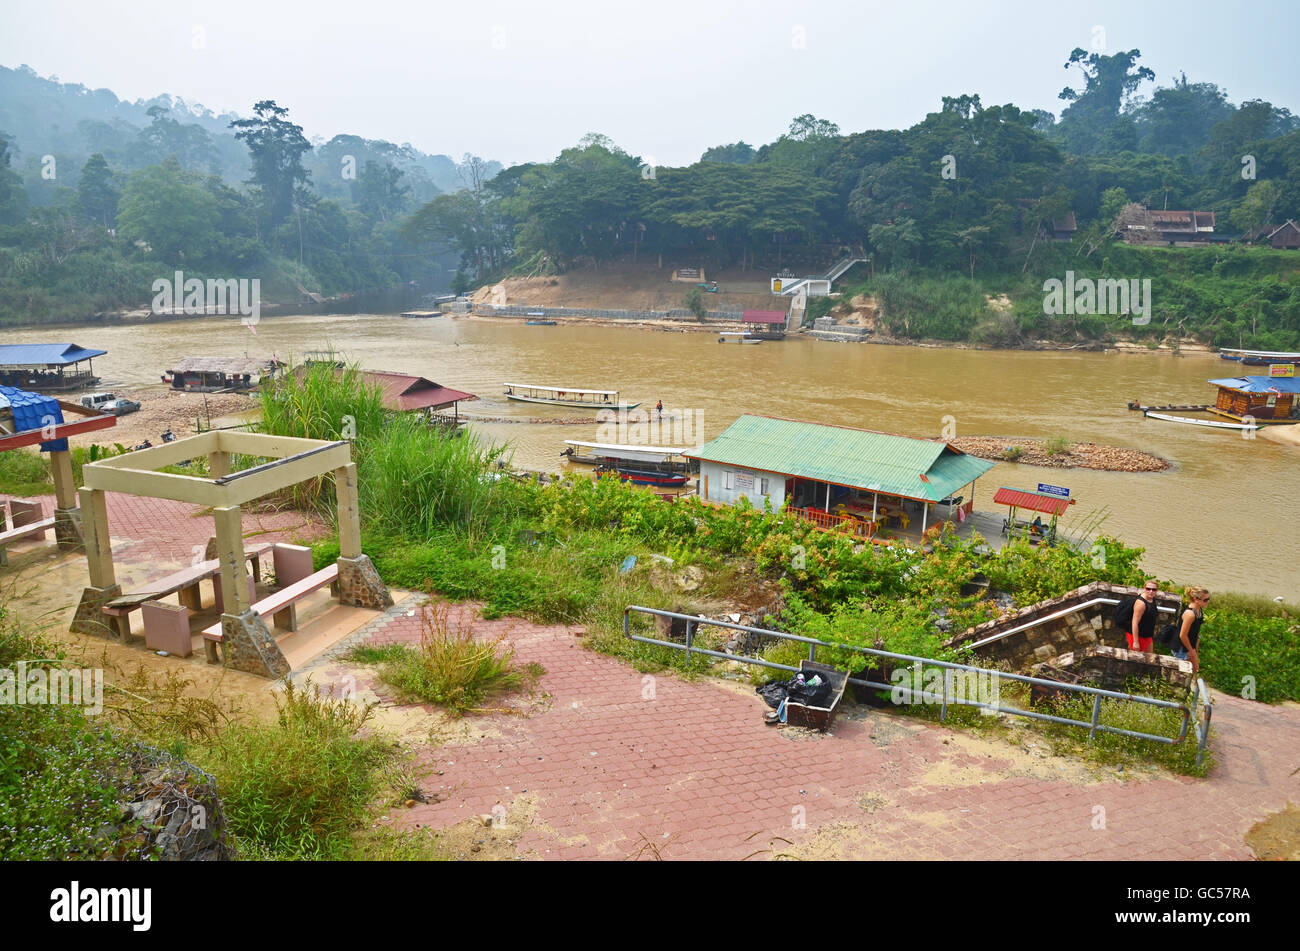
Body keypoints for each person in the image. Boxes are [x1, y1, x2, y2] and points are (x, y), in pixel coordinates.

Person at [1173, 586, 1210, 674]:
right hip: (1182, 648)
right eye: (1205, 600)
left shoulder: (1199, 610)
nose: (1208, 602)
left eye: (1208, 599)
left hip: (1190, 646)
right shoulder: (1190, 614)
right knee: (1184, 674)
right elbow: (1182, 635)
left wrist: (1195, 649)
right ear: (1196, 599)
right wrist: (1191, 651)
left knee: (1195, 669)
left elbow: (1196, 631)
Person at [1128, 580, 1161, 652]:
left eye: (1154, 589)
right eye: (1148, 589)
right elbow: (1134, 622)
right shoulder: (1141, 603)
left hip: (1147, 635)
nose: (1151, 591)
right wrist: (1136, 642)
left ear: (1157, 590)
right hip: (1138, 636)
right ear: (1144, 588)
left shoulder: (1152, 599)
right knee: (1137, 657)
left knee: (1149, 656)